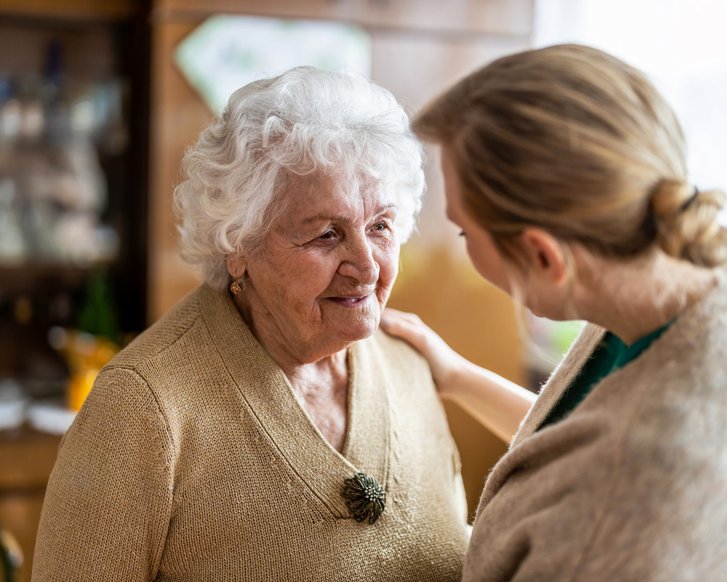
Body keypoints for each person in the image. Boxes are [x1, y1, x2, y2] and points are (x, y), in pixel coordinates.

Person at [32, 66, 469, 581]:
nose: (368, 266)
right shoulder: (143, 408)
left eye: (380, 226)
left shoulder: (409, 365)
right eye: (326, 234)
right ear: (238, 245)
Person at [381, 44, 727, 581]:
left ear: (543, 255)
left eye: (465, 232)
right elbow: (578, 440)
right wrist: (455, 376)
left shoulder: (630, 499)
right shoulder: (654, 291)